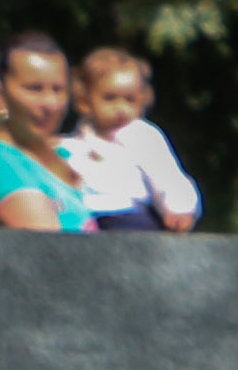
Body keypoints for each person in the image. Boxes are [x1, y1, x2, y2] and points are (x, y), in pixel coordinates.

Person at [63, 50, 202, 235]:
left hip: (131, 217)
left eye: (130, 100)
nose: (121, 109)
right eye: (110, 98)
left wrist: (179, 208)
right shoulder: (77, 141)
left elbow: (167, 174)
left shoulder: (140, 134)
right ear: (84, 100)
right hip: (89, 218)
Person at [0, 34, 83, 230]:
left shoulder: (69, 151)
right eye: (34, 89)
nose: (50, 103)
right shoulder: (2, 166)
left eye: (58, 89)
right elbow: (54, 253)